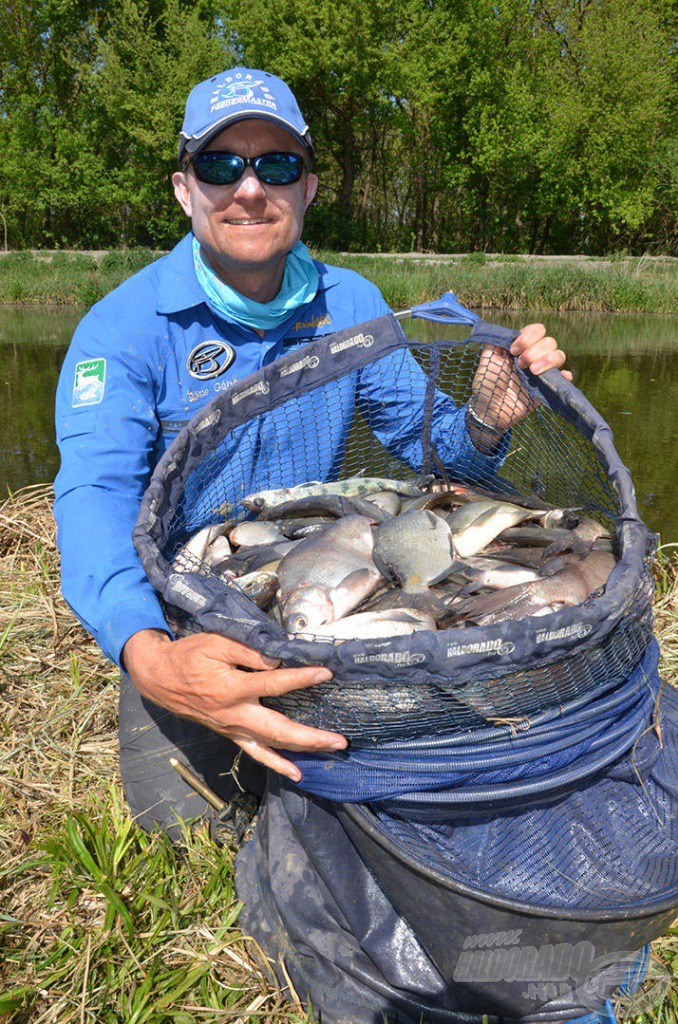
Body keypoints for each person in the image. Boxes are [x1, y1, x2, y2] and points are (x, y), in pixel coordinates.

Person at [54, 66, 570, 838]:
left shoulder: (353, 304)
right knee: (182, 827)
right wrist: (151, 656)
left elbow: (434, 451)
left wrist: (488, 419)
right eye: (222, 165)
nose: (251, 189)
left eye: (279, 165)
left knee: (425, 796)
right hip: (199, 614)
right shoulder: (121, 330)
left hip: (335, 581)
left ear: (309, 188)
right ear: (182, 188)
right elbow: (93, 497)